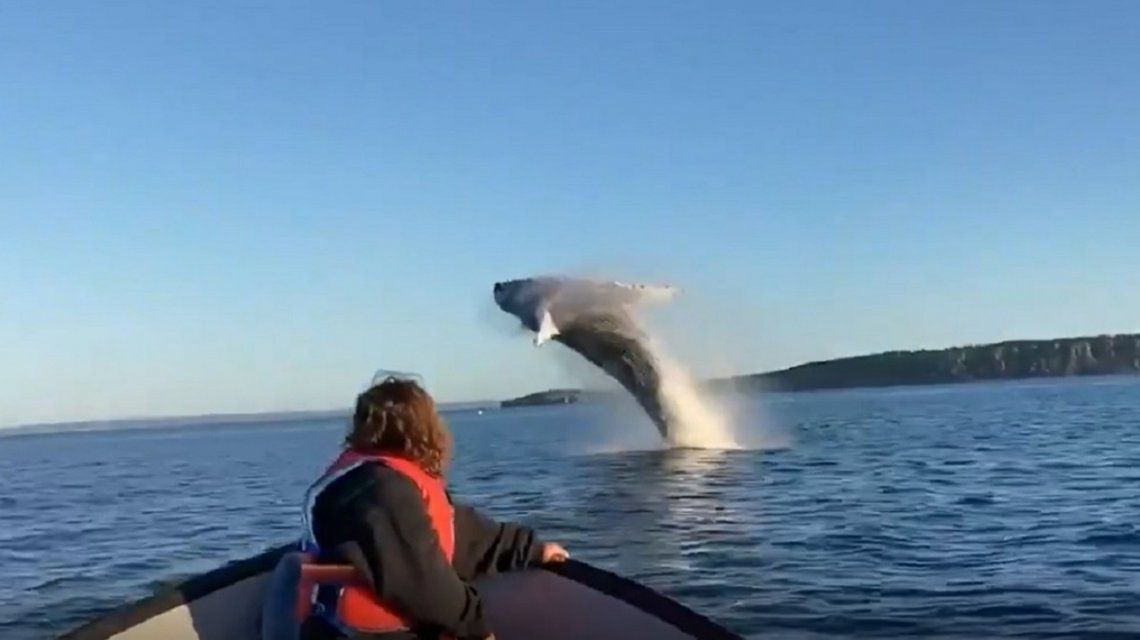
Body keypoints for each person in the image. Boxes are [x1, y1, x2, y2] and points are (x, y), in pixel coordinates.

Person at [297, 375, 568, 640]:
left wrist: (529, 549)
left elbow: (459, 531)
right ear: (423, 429)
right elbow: (421, 582)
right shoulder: (383, 489)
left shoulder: (371, 479)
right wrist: (476, 628)